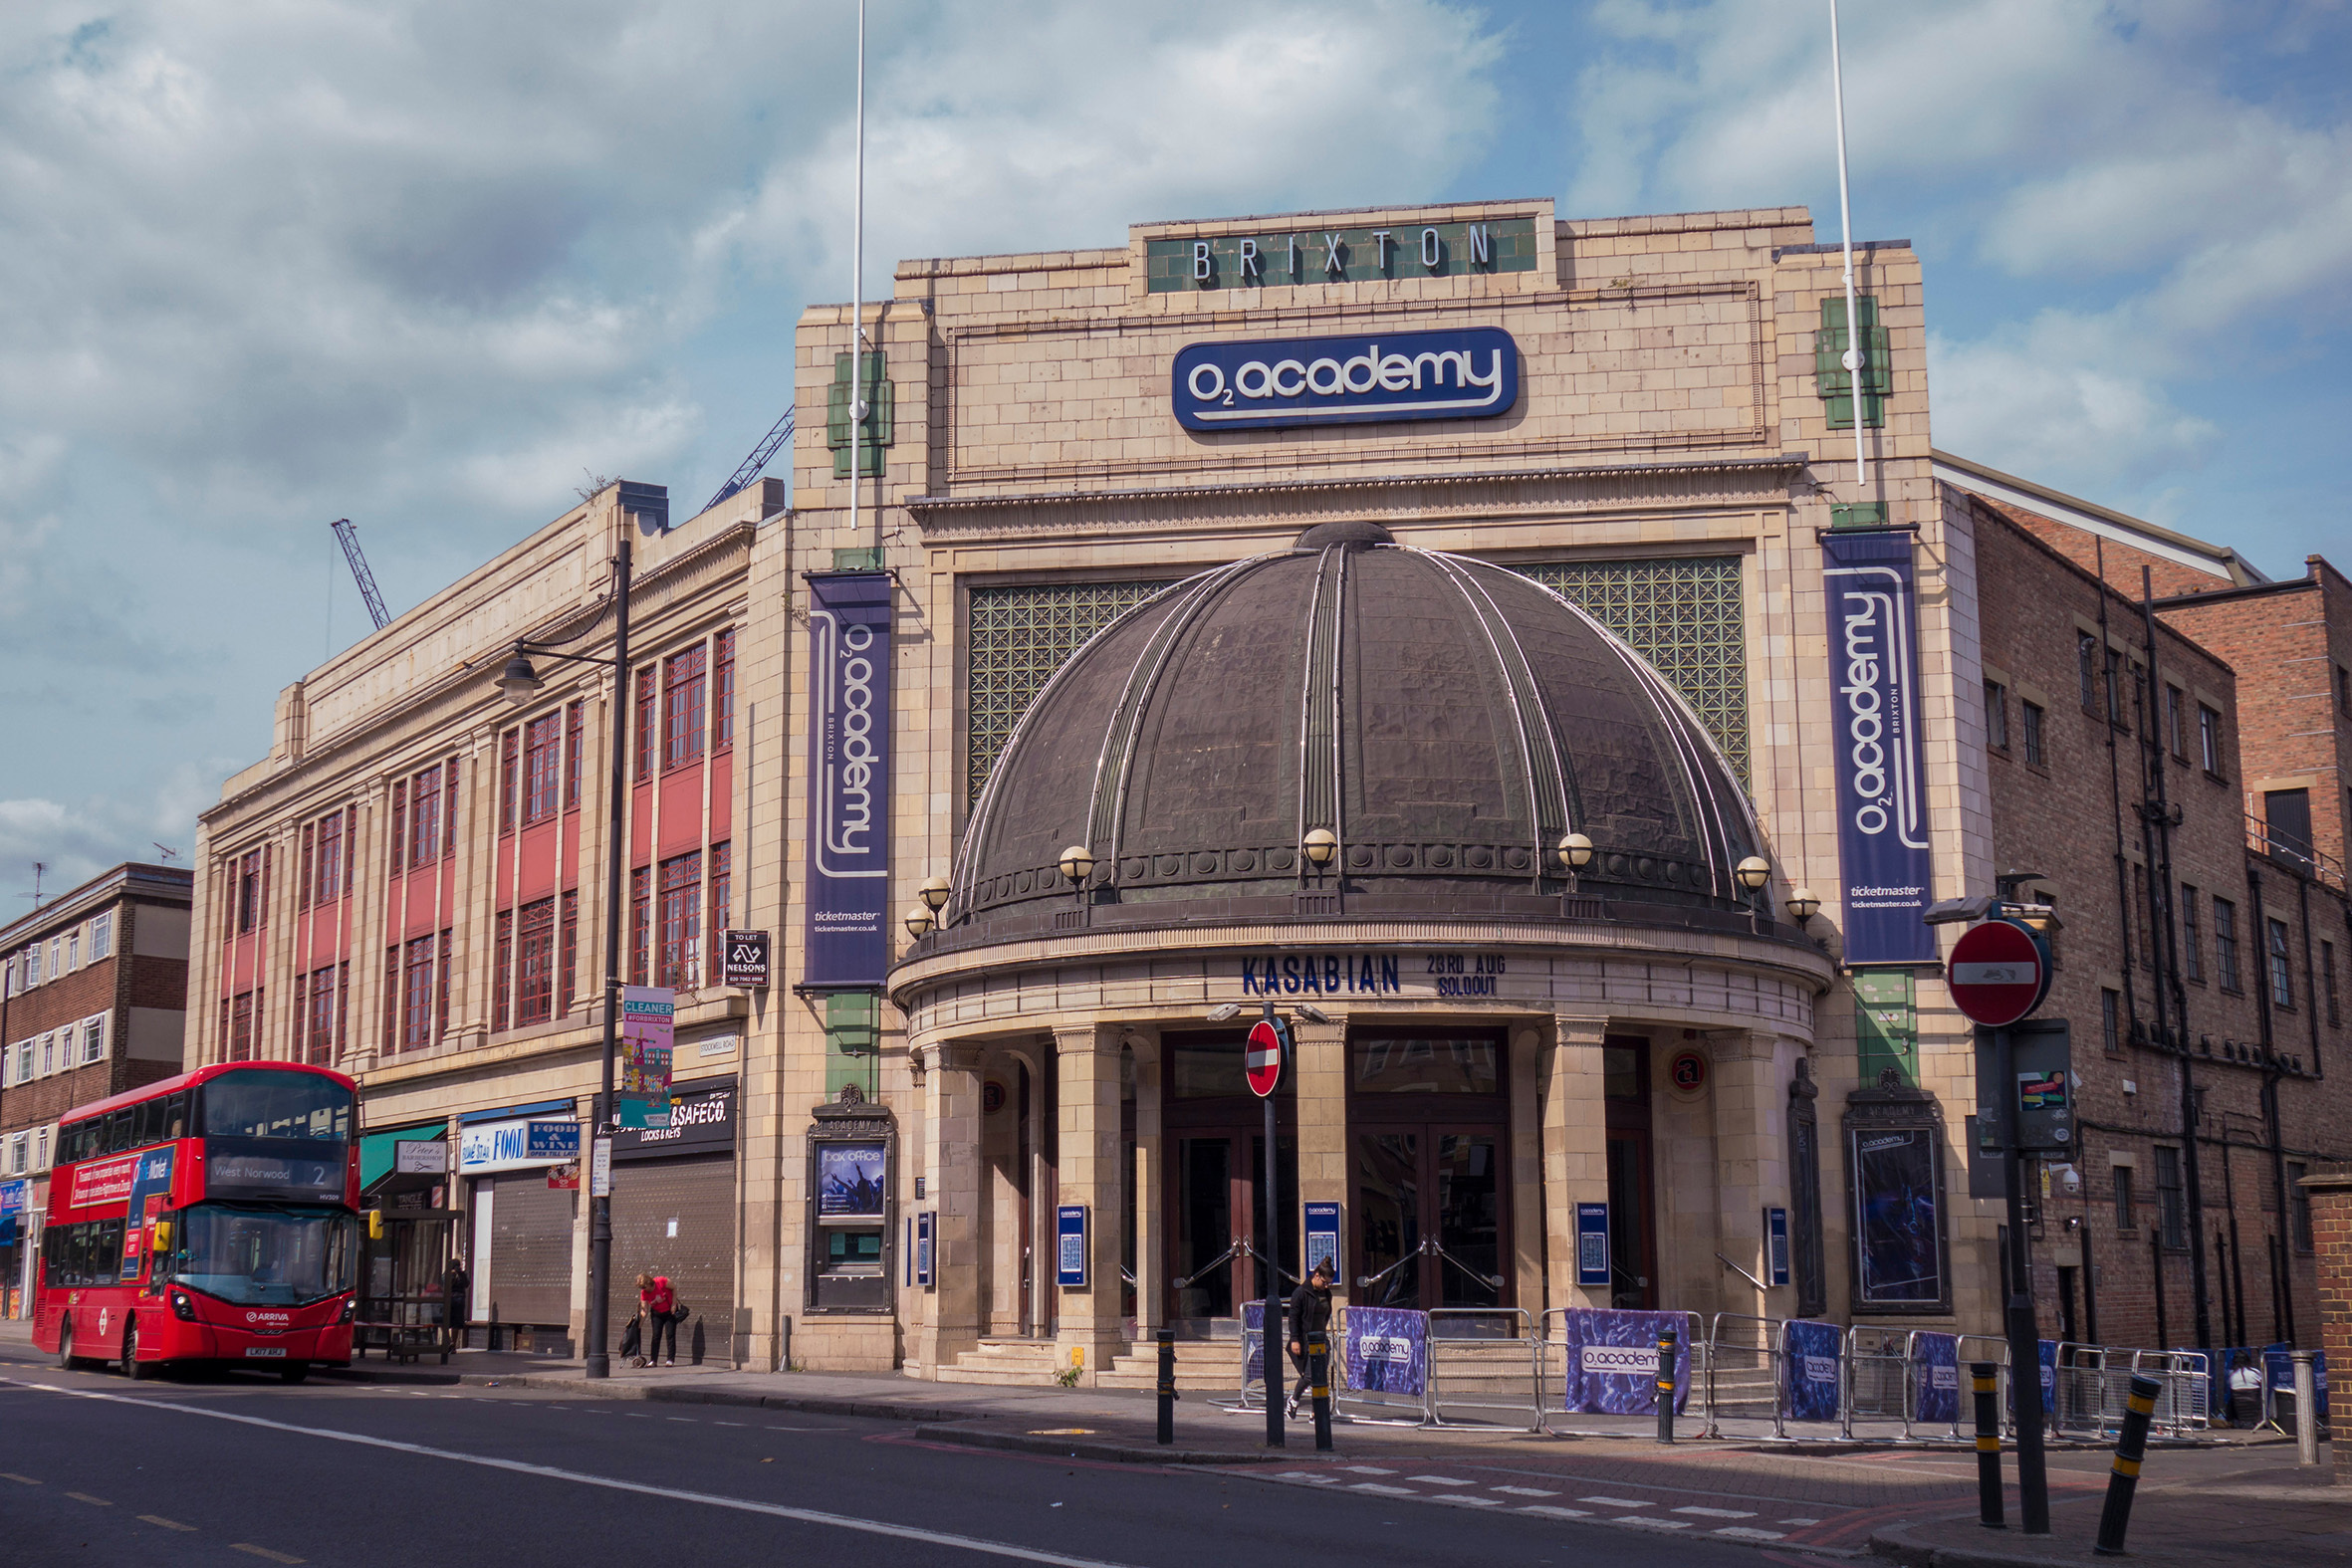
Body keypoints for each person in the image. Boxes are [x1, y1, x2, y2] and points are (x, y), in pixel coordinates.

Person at [1284, 1257, 1336, 1419]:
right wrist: (1295, 1339)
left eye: (1329, 1284)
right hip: (1306, 1339)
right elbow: (1293, 1317)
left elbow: (1326, 1314)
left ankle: (1316, 1412)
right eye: (1325, 1282)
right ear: (1317, 1275)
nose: (1326, 1286)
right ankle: (1294, 1400)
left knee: (1320, 1376)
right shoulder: (1301, 1293)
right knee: (1310, 1376)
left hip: (1321, 1338)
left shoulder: (1326, 1294)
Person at [637, 1272, 678, 1367]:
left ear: (648, 1283)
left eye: (644, 1287)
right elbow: (645, 1310)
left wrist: (674, 1304)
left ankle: (670, 1359)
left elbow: (674, 1288)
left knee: (670, 1335)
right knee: (656, 1336)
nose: (643, 1289)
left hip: (669, 1312)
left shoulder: (661, 1282)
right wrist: (639, 1326)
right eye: (641, 1288)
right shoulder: (644, 1293)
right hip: (657, 1314)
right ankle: (653, 1360)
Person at [444, 1256, 470, 1349]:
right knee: (455, 1323)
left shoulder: (448, 1274)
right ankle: (452, 1344)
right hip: (459, 1300)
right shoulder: (461, 1274)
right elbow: (467, 1284)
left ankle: (449, 1342)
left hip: (449, 1299)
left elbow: (444, 1284)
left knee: (445, 1322)